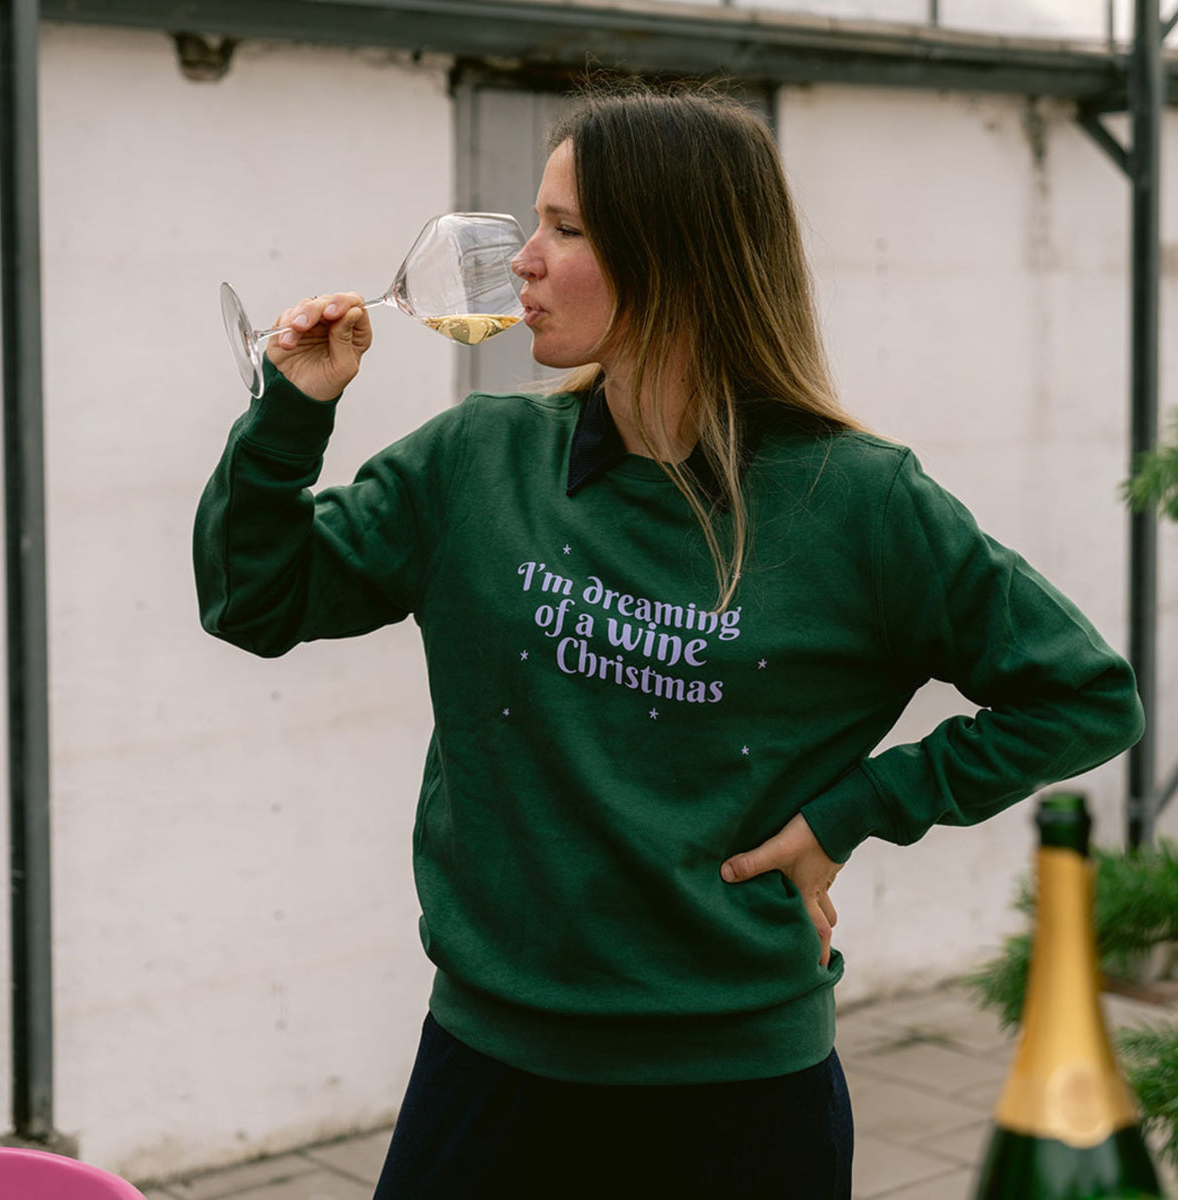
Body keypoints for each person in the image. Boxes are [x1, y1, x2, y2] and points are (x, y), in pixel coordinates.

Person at [193, 81, 1144, 1199]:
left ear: (680, 259)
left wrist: (855, 811)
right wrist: (289, 414)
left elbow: (1083, 695)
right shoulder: (477, 460)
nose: (524, 261)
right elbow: (254, 601)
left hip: (739, 1099)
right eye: (536, 223)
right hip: (489, 1070)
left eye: (566, 229)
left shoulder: (858, 501)